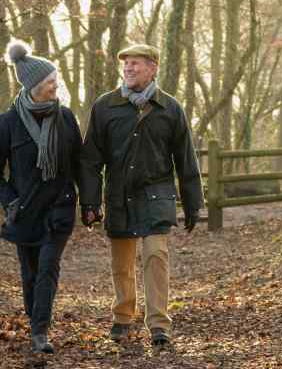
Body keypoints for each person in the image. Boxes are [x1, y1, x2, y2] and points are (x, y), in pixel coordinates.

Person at [79, 42, 203, 352]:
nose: (129, 68)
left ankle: (159, 324)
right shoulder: (105, 106)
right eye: (126, 63)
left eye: (136, 62)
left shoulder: (170, 108)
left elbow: (185, 159)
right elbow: (91, 160)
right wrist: (90, 202)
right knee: (121, 262)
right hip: (119, 195)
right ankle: (123, 316)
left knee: (155, 255)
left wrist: (192, 203)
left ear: (152, 68)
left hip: (156, 194)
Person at [0, 39, 82, 355]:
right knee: (29, 273)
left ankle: (40, 331)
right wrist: (11, 201)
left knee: (47, 269)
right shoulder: (9, 122)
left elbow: (81, 165)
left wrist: (90, 203)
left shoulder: (65, 118)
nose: (56, 85)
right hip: (25, 212)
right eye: (51, 81)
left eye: (56, 79)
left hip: (59, 209)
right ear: (34, 86)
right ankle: (34, 318)